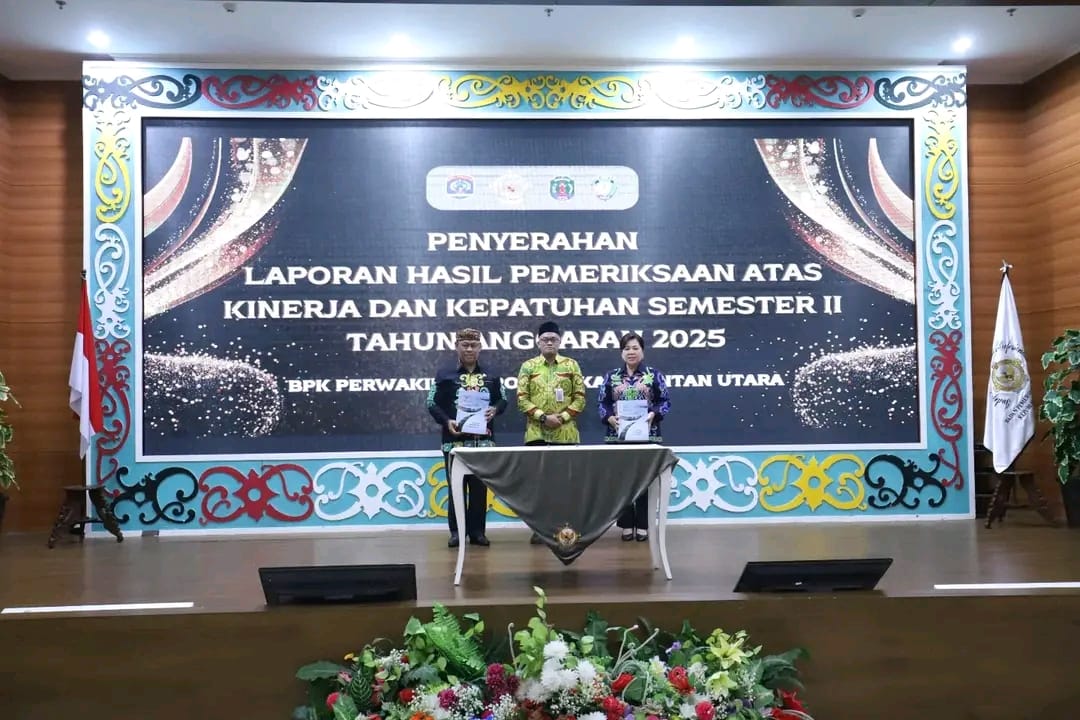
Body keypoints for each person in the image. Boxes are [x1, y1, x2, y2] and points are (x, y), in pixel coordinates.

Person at [426, 328, 507, 548]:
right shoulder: (444, 374)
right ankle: (456, 532)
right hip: (454, 442)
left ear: (480, 348)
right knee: (456, 488)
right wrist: (446, 421)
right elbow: (431, 402)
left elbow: (503, 399)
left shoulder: (491, 374)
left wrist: (495, 410)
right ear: (457, 347)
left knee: (480, 489)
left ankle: (478, 532)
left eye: (473, 345)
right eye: (465, 345)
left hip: (483, 442)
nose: (469, 349)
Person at [516, 320, 586, 542]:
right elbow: (521, 399)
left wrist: (561, 418)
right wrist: (544, 418)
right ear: (538, 342)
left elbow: (580, 399)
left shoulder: (571, 365)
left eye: (553, 339)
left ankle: (566, 530)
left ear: (559, 341)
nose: (549, 343)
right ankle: (541, 531)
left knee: (566, 485)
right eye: (545, 339)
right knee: (539, 486)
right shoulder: (528, 366)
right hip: (536, 434)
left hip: (566, 435)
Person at [598, 331, 671, 542]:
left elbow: (665, 401)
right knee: (622, 481)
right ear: (621, 352)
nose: (631, 352)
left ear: (642, 351)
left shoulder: (654, 375)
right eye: (627, 348)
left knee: (645, 480)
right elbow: (602, 403)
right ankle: (626, 524)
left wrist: (653, 414)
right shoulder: (611, 376)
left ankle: (643, 524)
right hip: (617, 435)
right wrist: (609, 418)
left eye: (635, 348)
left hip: (648, 435)